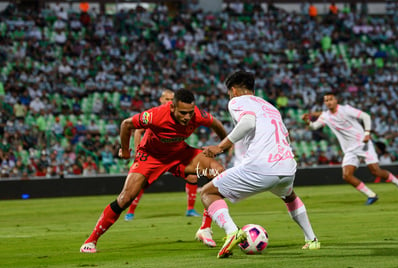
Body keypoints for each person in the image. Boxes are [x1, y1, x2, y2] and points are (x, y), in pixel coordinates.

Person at [80, 88, 228, 253]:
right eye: (183, 113)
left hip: (179, 154)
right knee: (125, 198)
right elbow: (126, 124)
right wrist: (126, 150)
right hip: (151, 157)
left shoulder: (197, 115)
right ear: (172, 107)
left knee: (218, 172)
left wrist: (222, 147)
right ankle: (91, 241)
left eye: (190, 113)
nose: (188, 117)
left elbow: (216, 123)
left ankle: (205, 228)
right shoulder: (155, 115)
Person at [197, 71, 320, 258]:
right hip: (287, 166)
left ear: (233, 90)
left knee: (208, 192)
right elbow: (286, 135)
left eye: (229, 92)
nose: (229, 96)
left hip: (261, 166)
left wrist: (220, 147)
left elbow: (248, 122)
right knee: (289, 196)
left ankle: (232, 232)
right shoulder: (270, 107)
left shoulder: (237, 101)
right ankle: (311, 240)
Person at [301, 92, 398, 205]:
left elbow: (365, 116)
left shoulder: (346, 109)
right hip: (349, 149)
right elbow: (314, 126)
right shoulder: (325, 116)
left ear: (336, 100)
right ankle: (371, 195)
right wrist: (307, 121)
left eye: (331, 99)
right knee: (347, 176)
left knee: (375, 171)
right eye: (326, 100)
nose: (329, 102)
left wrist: (367, 133)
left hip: (362, 143)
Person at [124, 89, 202, 220]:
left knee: (192, 176)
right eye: (167, 99)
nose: (170, 102)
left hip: (173, 155)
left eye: (172, 100)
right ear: (161, 100)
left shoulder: (179, 115)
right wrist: (138, 153)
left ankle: (190, 209)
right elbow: (137, 131)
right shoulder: (155, 115)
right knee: (140, 183)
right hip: (153, 155)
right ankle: (130, 212)